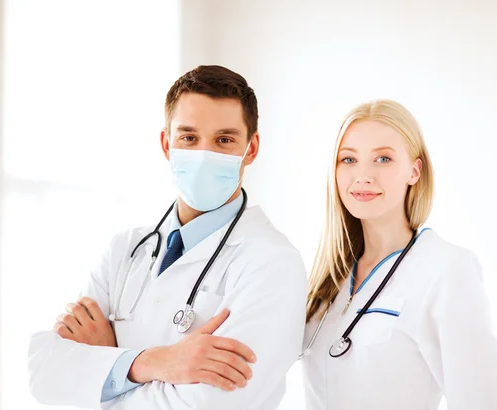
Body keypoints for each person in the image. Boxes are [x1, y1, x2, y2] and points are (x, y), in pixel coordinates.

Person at [28, 65, 307, 410]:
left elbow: (209, 404)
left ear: (251, 148)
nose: (204, 155)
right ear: (166, 143)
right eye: (189, 138)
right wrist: (153, 362)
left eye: (224, 139)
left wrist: (105, 370)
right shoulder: (124, 249)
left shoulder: (272, 263)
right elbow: (45, 374)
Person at [301, 99, 497, 409]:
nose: (363, 175)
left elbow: (486, 401)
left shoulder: (445, 269)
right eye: (348, 159)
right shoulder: (329, 278)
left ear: (414, 171)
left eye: (383, 159)